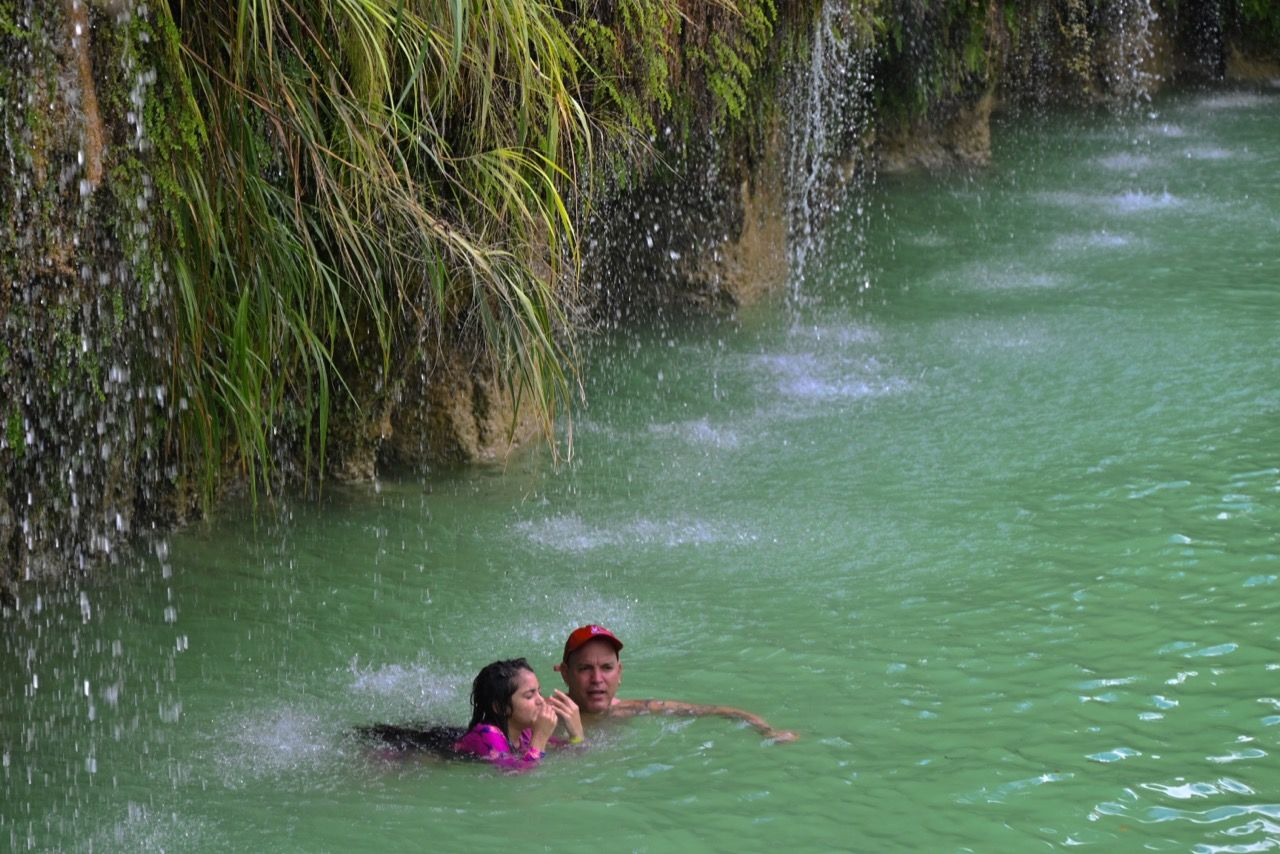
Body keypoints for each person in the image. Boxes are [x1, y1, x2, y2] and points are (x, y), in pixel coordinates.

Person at [554, 624, 798, 742]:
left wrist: (767, 731)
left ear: (620, 672)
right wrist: (576, 739)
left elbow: (715, 711)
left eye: (606, 668)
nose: (597, 679)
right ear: (565, 674)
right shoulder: (544, 718)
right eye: (585, 669)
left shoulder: (631, 710)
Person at [452, 657, 585, 770]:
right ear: (500, 707)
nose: (541, 700)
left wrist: (576, 734)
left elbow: (569, 751)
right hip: (436, 753)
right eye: (529, 696)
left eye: (539, 692)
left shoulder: (525, 731)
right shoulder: (489, 734)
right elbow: (517, 778)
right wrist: (540, 737)